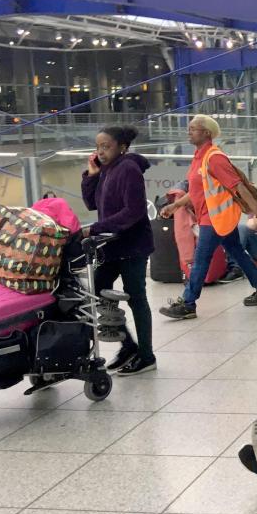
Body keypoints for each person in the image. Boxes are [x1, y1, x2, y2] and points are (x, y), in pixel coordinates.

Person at [158, 115, 257, 320]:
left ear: (206, 133)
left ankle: (188, 303)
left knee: (201, 259)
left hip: (213, 219)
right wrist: (176, 205)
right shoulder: (200, 157)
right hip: (214, 217)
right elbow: (197, 190)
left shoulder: (214, 158)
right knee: (237, 252)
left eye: (193, 129)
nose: (189, 131)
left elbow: (237, 185)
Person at [81, 125, 156, 375]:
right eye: (98, 147)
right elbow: (92, 203)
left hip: (132, 246)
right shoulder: (106, 170)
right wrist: (91, 176)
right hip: (111, 245)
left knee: (136, 298)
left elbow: (133, 211)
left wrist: (96, 228)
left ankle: (146, 356)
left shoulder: (129, 169)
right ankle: (128, 346)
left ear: (122, 147)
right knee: (100, 292)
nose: (100, 152)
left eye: (106, 146)